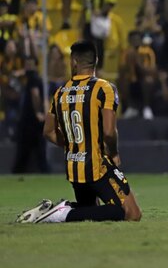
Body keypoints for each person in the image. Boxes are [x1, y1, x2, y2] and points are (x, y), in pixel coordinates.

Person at [16, 40, 142, 224]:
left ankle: (58, 210)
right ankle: (62, 213)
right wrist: (113, 152)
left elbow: (48, 131)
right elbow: (108, 132)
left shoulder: (60, 92)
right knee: (131, 213)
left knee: (91, 211)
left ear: (74, 61)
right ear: (96, 60)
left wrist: (74, 146)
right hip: (97, 165)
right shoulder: (104, 88)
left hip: (74, 166)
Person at [11, 55, 49, 173]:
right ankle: (44, 171)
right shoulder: (33, 78)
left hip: (31, 120)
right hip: (32, 120)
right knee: (37, 151)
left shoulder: (32, 78)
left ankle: (42, 171)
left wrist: (38, 112)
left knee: (26, 151)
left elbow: (35, 95)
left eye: (30, 64)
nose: (27, 67)